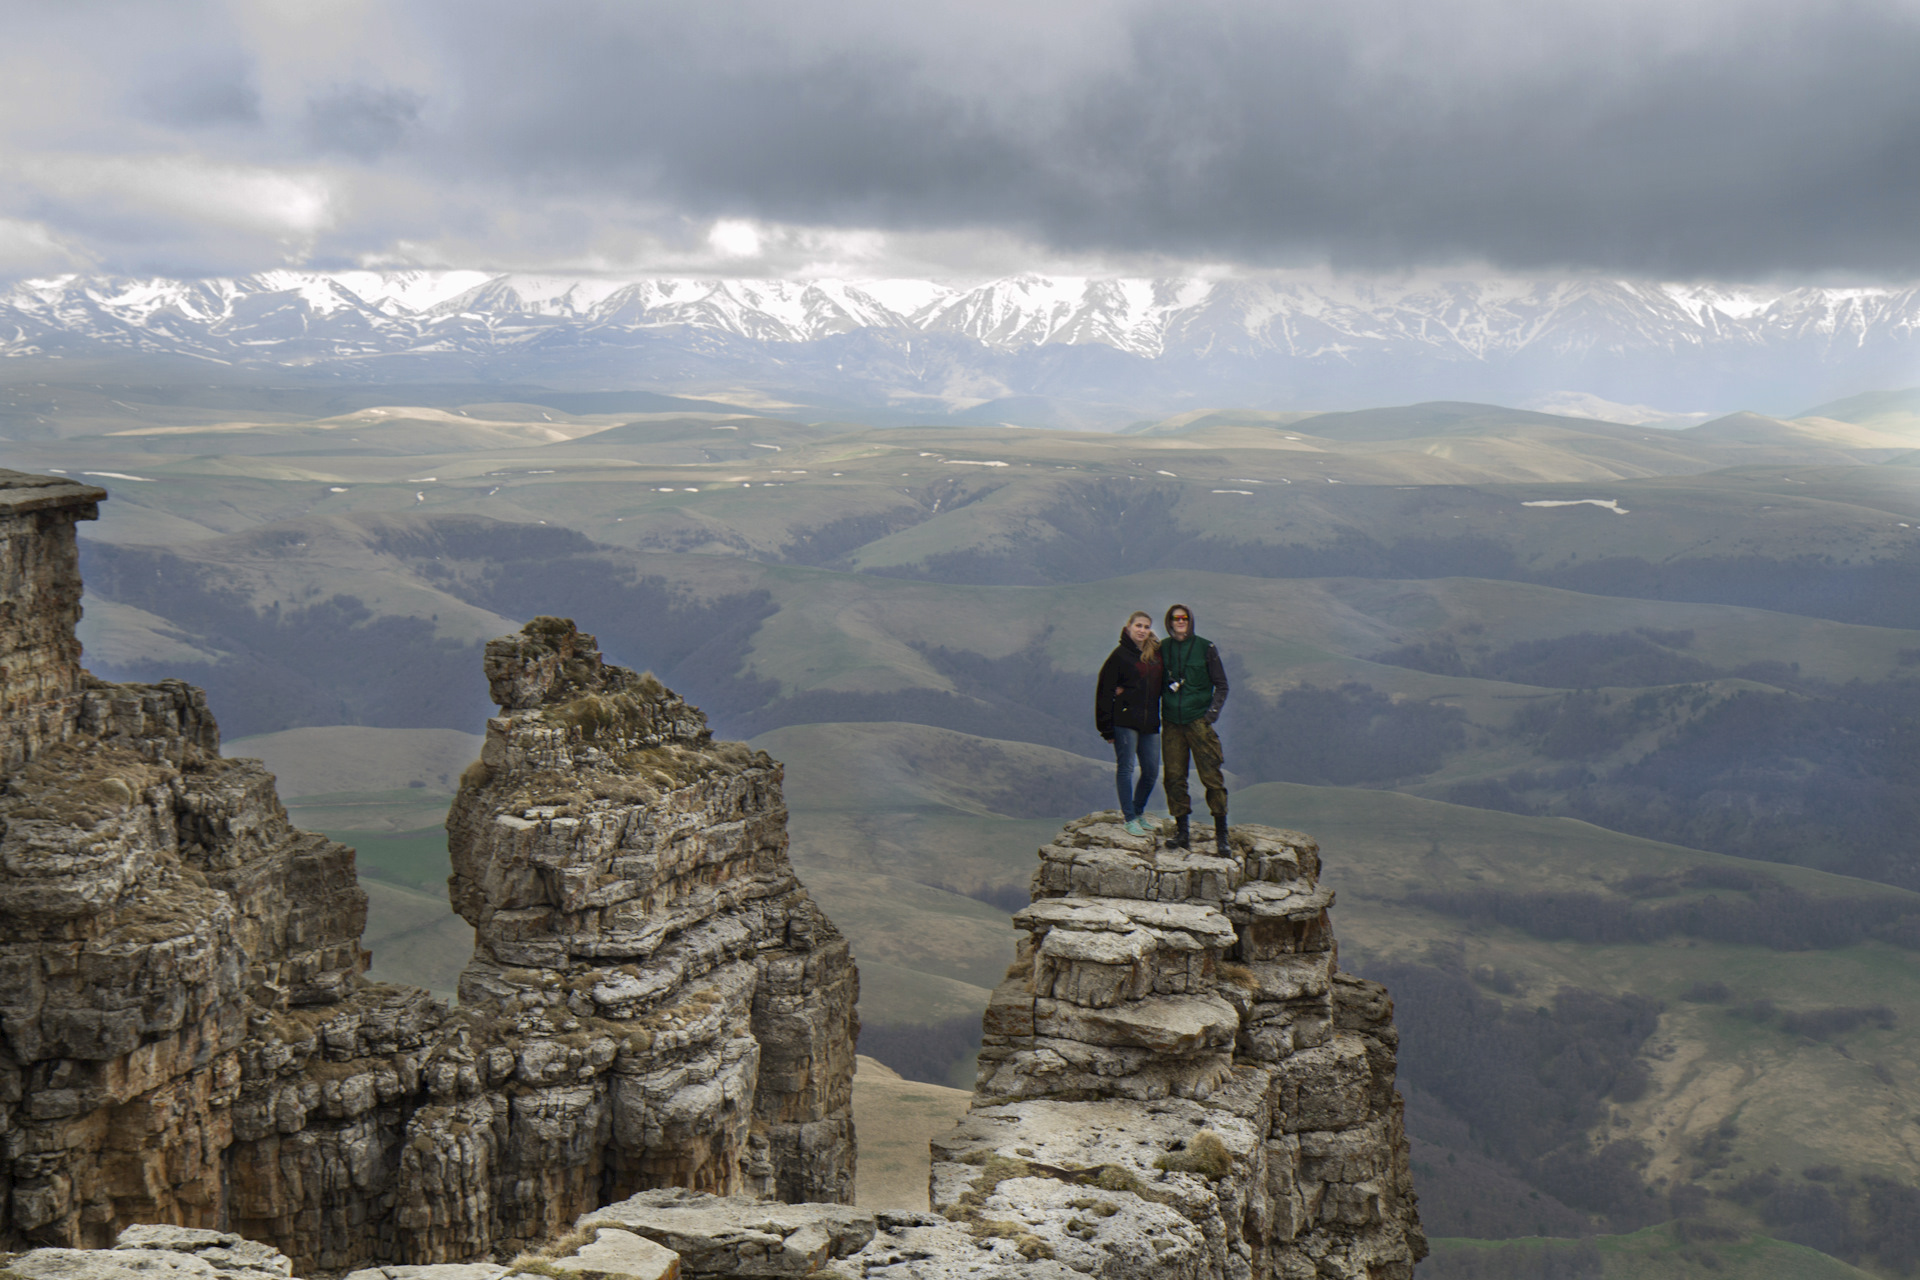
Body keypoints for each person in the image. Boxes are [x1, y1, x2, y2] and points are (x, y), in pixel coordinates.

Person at [1159, 603, 1229, 853]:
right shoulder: (1163, 649)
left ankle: (1222, 835)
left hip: (1198, 721)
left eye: (1184, 618)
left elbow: (1221, 685)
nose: (1180, 621)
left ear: (1190, 621)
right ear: (1169, 622)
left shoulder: (1205, 648)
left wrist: (1211, 715)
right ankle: (1182, 833)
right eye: (1175, 618)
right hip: (1171, 723)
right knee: (1174, 778)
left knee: (1211, 776)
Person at [1094, 610, 1163, 836]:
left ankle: (1138, 810)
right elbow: (1104, 692)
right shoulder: (1119, 656)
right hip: (1124, 721)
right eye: (1138, 626)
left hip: (1150, 721)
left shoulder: (1155, 654)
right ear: (1128, 627)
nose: (1142, 630)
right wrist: (1105, 727)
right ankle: (1129, 818)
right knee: (1126, 768)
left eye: (1146, 626)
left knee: (1152, 770)